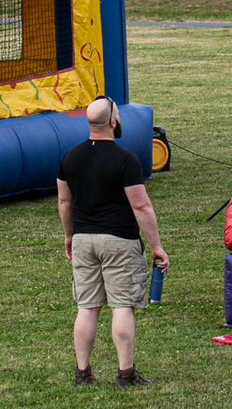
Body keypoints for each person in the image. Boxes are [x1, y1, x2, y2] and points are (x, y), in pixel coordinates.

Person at [56, 96, 169, 388]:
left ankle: (82, 373)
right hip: (119, 241)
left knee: (87, 307)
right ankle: (125, 373)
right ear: (113, 122)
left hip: (83, 240)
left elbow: (64, 200)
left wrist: (69, 236)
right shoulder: (126, 160)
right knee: (121, 306)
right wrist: (156, 245)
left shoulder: (69, 157)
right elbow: (141, 207)